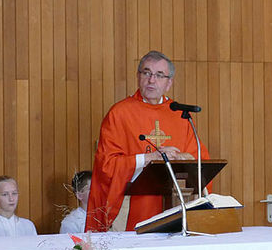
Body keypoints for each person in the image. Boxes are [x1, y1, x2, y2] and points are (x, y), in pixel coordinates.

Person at [86, 50, 210, 231]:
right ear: (138, 77)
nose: (152, 80)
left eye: (159, 75)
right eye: (147, 73)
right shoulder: (120, 113)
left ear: (169, 83)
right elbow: (106, 165)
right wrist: (148, 158)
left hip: (174, 206)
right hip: (133, 206)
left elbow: (201, 161)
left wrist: (183, 158)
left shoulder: (180, 115)